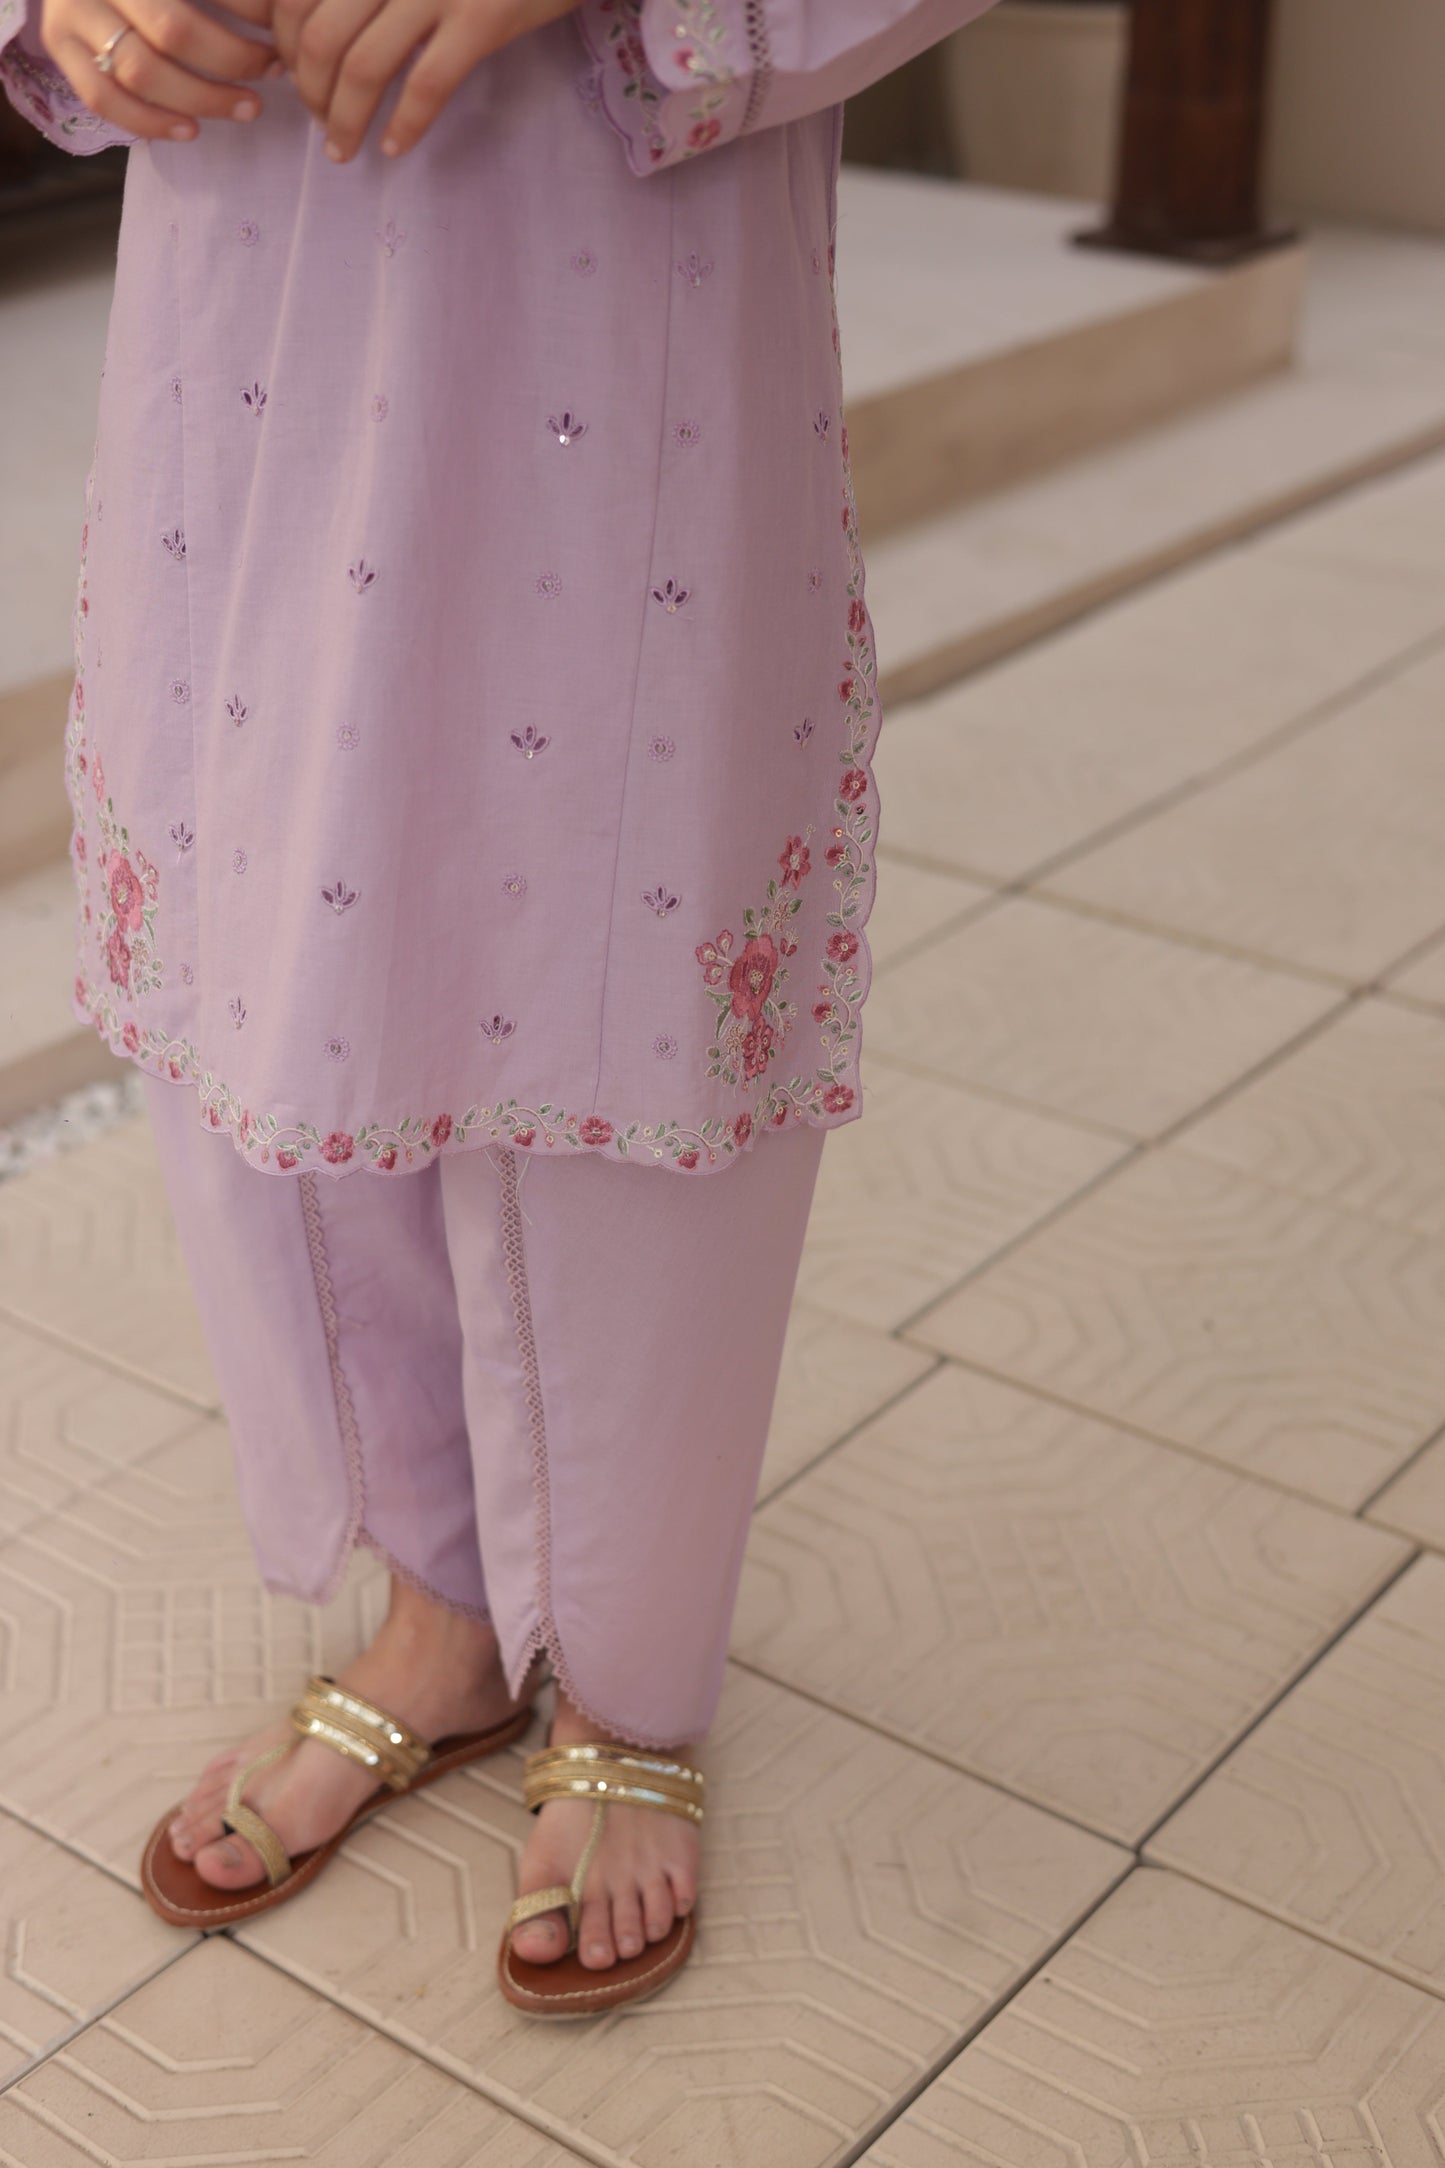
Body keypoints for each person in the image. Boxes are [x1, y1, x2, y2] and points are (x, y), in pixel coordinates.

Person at [2, 0, 998, 2015]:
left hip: (609, 229)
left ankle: (628, 1675)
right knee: (290, 910)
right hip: (248, 250)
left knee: (624, 915)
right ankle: (437, 1609)